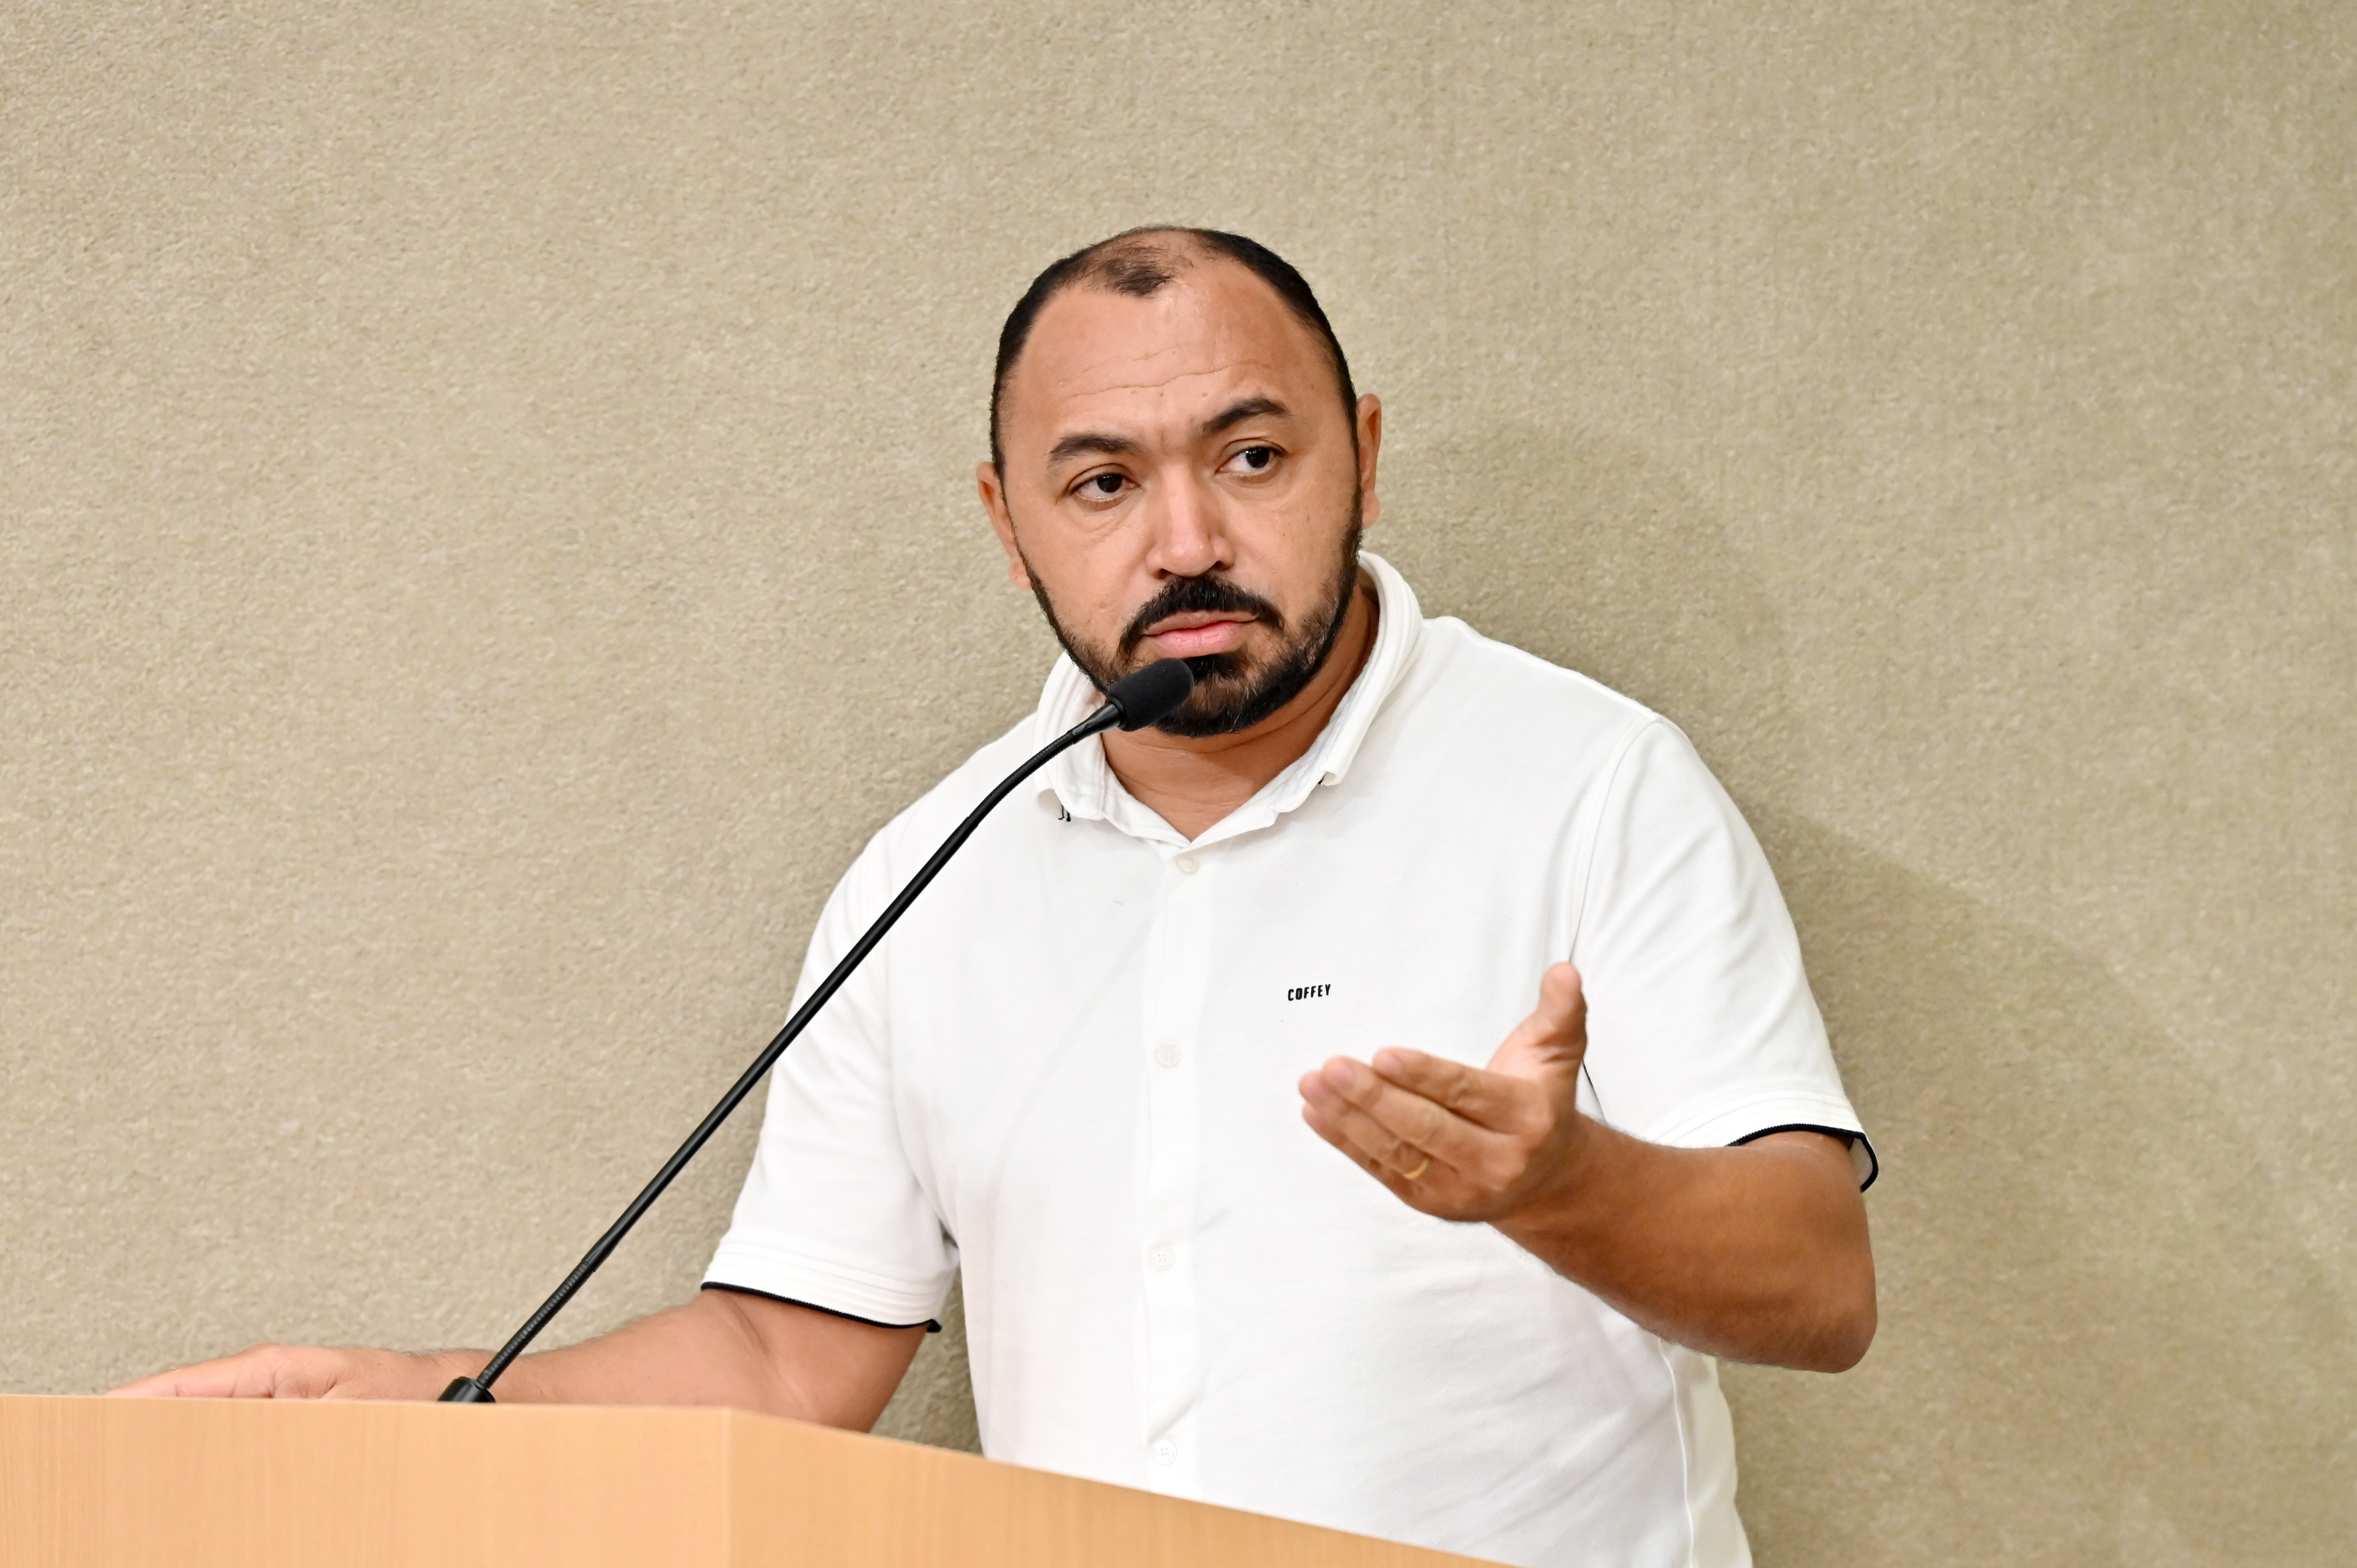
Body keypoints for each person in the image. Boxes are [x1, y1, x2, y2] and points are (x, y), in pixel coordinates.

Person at [118, 228, 1877, 1568]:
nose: (1185, 540)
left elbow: (1818, 1281)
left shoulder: (1590, 781)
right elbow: (786, 1361)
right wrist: (429, 1405)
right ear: (1007, 519)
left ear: (1361, 449)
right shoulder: (931, 871)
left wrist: (1564, 1188)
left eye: (1252, 458)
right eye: (1104, 482)